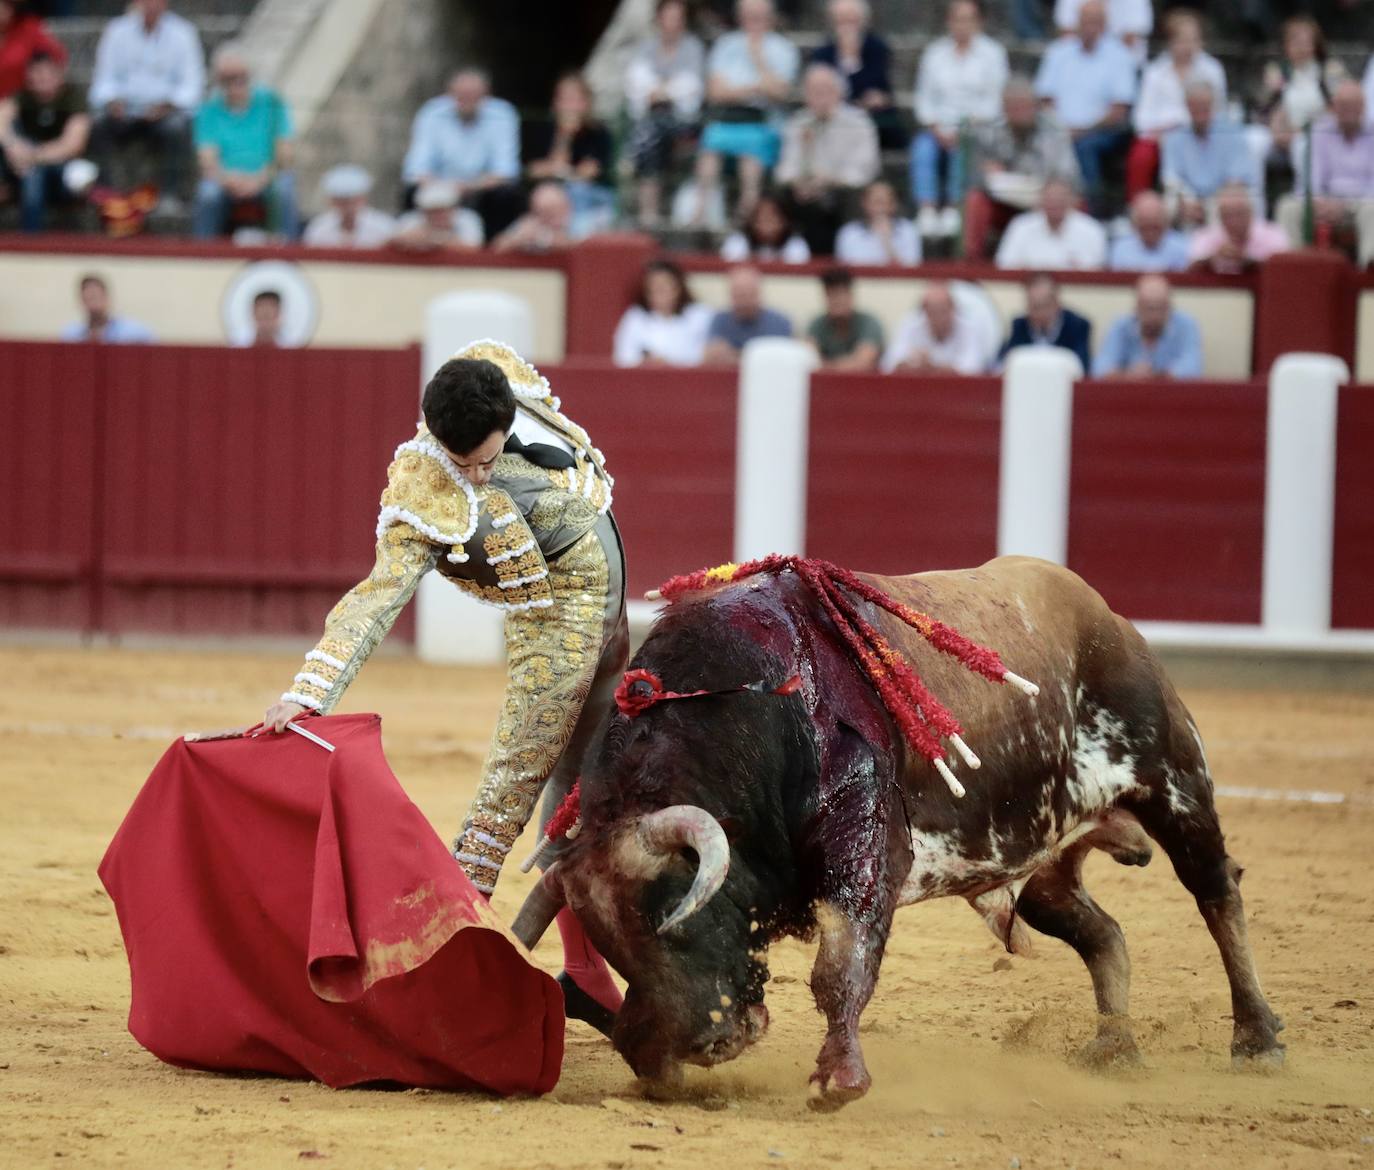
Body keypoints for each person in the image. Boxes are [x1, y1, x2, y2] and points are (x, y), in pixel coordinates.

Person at [262, 341, 629, 1035]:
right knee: (511, 790)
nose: (479, 475)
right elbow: (376, 599)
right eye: (465, 465)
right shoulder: (422, 493)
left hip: (608, 606)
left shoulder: (496, 376)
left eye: (489, 458)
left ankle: (582, 973)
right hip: (556, 623)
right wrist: (312, 690)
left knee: (591, 785)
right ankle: (437, 975)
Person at [690, 0, 800, 225]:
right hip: (726, 118)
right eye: (749, 16)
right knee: (709, 151)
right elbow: (715, 92)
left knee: (750, 158)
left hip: (762, 122)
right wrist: (754, 88)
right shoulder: (726, 44)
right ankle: (700, 215)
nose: (753, 21)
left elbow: (779, 92)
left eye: (759, 16)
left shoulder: (783, 48)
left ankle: (746, 217)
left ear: (770, 18)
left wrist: (758, 60)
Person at [88, 0, 204, 209]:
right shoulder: (116, 31)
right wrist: (113, 101)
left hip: (165, 113)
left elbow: (192, 86)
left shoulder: (184, 33)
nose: (152, 4)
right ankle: (108, 193)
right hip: (124, 111)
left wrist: (167, 105)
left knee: (177, 126)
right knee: (98, 123)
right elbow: (103, 81)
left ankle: (170, 196)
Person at [910, 0, 1008, 240]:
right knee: (922, 148)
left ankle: (955, 206)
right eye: (957, 19)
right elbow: (924, 98)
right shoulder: (934, 53)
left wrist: (965, 128)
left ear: (979, 22)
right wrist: (935, 128)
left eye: (968, 19)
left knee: (963, 148)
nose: (962, 25)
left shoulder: (993, 54)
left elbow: (995, 102)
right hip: (938, 129)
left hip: (977, 127)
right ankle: (927, 208)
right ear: (949, 22)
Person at [1033, 0, 1136, 214]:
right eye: (1085, 21)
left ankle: (1091, 210)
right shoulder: (1058, 52)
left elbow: (1119, 109)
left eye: (1095, 22)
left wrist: (1082, 131)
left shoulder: (1120, 56)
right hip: (1058, 128)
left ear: (1104, 24)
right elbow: (1044, 99)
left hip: (1102, 131)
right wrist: (1060, 127)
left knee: (1085, 146)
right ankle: (1042, 208)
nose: (1089, 27)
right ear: (1076, 23)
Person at [191, 42, 297, 240]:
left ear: (250, 76)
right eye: (228, 79)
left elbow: (285, 154)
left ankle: (289, 251)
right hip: (225, 178)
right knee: (208, 195)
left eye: (241, 78)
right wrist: (228, 180)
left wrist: (259, 180)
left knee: (284, 190)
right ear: (218, 80)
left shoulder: (272, 102)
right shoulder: (209, 108)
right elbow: (207, 159)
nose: (235, 84)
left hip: (266, 176)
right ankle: (203, 253)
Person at [964, 77, 1079, 258]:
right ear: (1004, 108)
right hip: (1004, 201)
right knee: (976, 200)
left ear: (1036, 106)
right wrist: (987, 175)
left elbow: (1067, 177)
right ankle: (972, 264)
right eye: (1013, 108)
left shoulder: (1054, 130)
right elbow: (976, 178)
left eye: (1024, 107)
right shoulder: (989, 132)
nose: (1019, 113)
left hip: (1044, 198)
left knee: (1076, 202)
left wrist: (1046, 193)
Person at [402, 68, 523, 239]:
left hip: (481, 189)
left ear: (486, 95)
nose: (467, 101)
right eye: (461, 95)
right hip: (438, 187)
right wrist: (443, 187)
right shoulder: (432, 112)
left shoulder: (502, 114)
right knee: (412, 192)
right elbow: (416, 168)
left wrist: (468, 187)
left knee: (505, 195)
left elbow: (505, 171)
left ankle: (495, 248)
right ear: (449, 94)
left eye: (473, 95)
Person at [773, 62, 879, 255]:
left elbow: (863, 171)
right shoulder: (798, 123)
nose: (819, 97)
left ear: (839, 92)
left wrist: (828, 180)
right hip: (805, 194)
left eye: (825, 90)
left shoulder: (858, 123)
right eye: (813, 91)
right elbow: (785, 169)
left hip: (842, 194)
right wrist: (799, 181)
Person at [1127, 10, 1227, 201]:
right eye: (1182, 40)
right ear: (1170, 41)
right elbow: (1141, 121)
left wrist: (1183, 127)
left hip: (1201, 135)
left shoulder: (1212, 69)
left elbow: (1219, 113)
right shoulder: (1154, 72)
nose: (1188, 46)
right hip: (1159, 138)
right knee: (1140, 156)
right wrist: (1166, 132)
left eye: (1194, 39)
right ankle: (1138, 208)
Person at [623, 0, 704, 227]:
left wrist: (660, 90)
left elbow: (692, 87)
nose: (672, 23)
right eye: (668, 17)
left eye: (677, 18)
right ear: (658, 19)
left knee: (648, 133)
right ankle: (648, 213)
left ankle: (632, 164)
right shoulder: (645, 48)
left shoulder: (693, 47)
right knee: (650, 130)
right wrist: (667, 90)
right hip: (651, 118)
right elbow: (635, 85)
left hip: (683, 120)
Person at [1277, 81, 1374, 266]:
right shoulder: (1320, 132)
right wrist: (1319, 202)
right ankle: (1291, 272)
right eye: (1342, 105)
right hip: (1323, 203)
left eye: (1353, 105)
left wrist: (1344, 205)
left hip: (1361, 204)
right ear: (1333, 107)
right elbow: (1309, 180)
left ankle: (1368, 278)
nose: (1347, 111)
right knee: (1287, 207)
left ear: (1363, 107)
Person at [0, 50, 89, 231]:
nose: (42, 78)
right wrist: (14, 146)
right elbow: (2, 122)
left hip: (60, 169)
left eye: (47, 73)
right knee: (32, 173)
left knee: (35, 172)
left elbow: (73, 144)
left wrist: (33, 156)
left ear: (59, 74)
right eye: (36, 73)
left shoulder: (72, 97)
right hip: (21, 167)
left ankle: (32, 237)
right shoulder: (22, 96)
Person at [522, 72, 614, 239]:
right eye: (564, 100)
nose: (569, 107)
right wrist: (564, 137)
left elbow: (588, 173)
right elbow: (534, 170)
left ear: (586, 103)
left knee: (575, 193)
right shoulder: (543, 130)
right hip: (548, 199)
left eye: (575, 100)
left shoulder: (598, 133)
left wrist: (559, 171)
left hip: (588, 198)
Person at [808, 0, 901, 147]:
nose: (847, 28)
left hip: (872, 119)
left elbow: (873, 89)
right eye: (841, 21)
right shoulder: (823, 53)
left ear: (863, 21)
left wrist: (852, 57)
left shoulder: (877, 49)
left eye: (851, 21)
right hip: (832, 117)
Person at [1161, 81, 1255, 225]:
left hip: (1222, 197)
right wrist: (1189, 200)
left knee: (1226, 203)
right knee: (1169, 203)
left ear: (1213, 106)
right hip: (1189, 199)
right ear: (1187, 107)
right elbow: (1171, 179)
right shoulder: (1174, 139)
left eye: (1204, 108)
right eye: (1195, 107)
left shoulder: (1232, 134)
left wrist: (1211, 203)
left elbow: (1237, 178)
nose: (1200, 114)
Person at [1093, 273, 1203, 378]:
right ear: (1136, 307)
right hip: (1131, 394)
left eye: (1161, 308)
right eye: (1149, 308)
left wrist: (1157, 377)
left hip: (1174, 395)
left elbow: (1193, 369)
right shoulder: (1121, 326)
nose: (1154, 314)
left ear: (1170, 306)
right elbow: (1099, 370)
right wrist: (1129, 375)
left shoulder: (1186, 326)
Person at [612, 257, 714, 366]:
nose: (659, 292)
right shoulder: (635, 318)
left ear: (678, 288)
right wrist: (647, 361)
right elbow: (623, 356)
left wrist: (669, 362)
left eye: (664, 286)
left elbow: (709, 354)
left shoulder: (699, 316)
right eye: (653, 288)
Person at [995, 175, 1106, 269]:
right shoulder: (1021, 226)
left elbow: (1099, 272)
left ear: (1073, 201)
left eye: (1060, 199)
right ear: (1040, 200)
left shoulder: (1092, 230)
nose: (1054, 204)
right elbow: (1004, 265)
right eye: (1050, 199)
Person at [882, 281, 985, 374]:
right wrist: (911, 364)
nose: (938, 317)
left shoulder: (968, 328)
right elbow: (889, 364)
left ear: (953, 308)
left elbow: (973, 369)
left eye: (943, 310)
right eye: (932, 311)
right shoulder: (910, 324)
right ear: (924, 310)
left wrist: (932, 366)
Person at [1186, 182, 1289, 274]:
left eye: (1239, 214)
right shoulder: (1205, 235)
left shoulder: (1273, 234)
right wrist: (1211, 259)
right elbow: (1189, 272)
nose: (1233, 221)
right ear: (1219, 216)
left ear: (1250, 212)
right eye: (1227, 215)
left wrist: (1249, 262)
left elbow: (1282, 272)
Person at [998, 272, 1092, 370]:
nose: (1039, 313)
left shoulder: (1077, 326)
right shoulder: (1019, 325)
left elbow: (1083, 367)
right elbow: (1004, 363)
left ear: (1056, 303)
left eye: (1044, 305)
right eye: (1034, 307)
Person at [702, 264, 792, 364]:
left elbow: (782, 359)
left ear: (759, 294)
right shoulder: (720, 320)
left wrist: (735, 356)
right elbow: (711, 356)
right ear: (730, 295)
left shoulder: (779, 322)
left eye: (748, 294)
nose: (744, 301)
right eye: (739, 295)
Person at [806, 266, 884, 370]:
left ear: (851, 295)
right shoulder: (817, 324)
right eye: (831, 295)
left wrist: (827, 366)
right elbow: (810, 362)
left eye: (840, 294)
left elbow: (863, 363)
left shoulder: (869, 323)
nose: (836, 301)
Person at [302, 164, 396, 248]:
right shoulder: (319, 228)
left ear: (363, 199)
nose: (347, 207)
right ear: (331, 202)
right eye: (340, 202)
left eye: (352, 201)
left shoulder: (384, 226)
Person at [833, 178, 921, 265]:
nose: (880, 208)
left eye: (885, 202)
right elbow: (844, 270)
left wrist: (887, 241)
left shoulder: (908, 230)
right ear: (864, 203)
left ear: (894, 205)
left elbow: (912, 271)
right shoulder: (848, 232)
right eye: (876, 202)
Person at [390, 179, 484, 252]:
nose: (438, 215)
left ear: (454, 208)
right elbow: (393, 241)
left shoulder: (468, 218)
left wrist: (436, 239)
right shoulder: (410, 219)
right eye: (432, 211)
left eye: (443, 210)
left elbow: (474, 248)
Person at [0, 0, 66, 101]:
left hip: (20, 101)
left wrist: (42, 76)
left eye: (6, 4)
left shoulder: (28, 27)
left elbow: (56, 56)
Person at [59, 273, 154, 343]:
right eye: (88, 298)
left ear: (107, 298)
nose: (93, 303)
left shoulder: (134, 333)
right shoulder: (71, 335)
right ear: (81, 301)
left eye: (96, 297)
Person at [1109, 190, 1190, 271]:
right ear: (1134, 224)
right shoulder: (1121, 250)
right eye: (1145, 225)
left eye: (1155, 226)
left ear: (1166, 222)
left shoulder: (1184, 248)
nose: (1150, 231)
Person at [491, 179, 579, 252]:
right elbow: (497, 247)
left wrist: (542, 238)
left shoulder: (580, 222)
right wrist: (517, 238)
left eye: (551, 211)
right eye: (540, 212)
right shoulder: (530, 222)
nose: (545, 218)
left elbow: (579, 246)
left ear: (566, 207)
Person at [719, 193, 811, 262]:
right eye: (761, 218)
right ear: (752, 222)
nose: (767, 224)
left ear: (784, 222)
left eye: (772, 218)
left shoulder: (796, 244)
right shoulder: (737, 241)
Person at [1052, 0, 1151, 59]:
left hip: (1123, 68)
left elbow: (1131, 39)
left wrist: (1100, 63)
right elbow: (1068, 35)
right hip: (1078, 64)